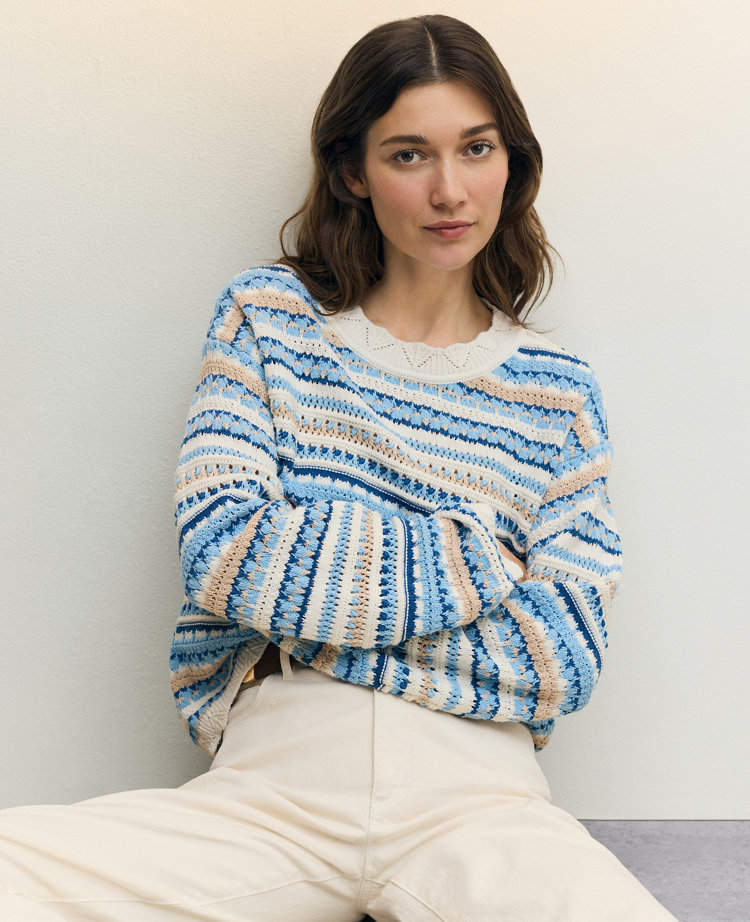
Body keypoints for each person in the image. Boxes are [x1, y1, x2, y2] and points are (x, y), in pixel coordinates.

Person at [0, 14, 678, 922]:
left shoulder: (558, 391)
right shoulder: (268, 319)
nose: (449, 190)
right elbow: (225, 552)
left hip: (480, 796)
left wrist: (308, 620)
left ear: (511, 162)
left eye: (476, 148)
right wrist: (476, 556)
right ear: (354, 171)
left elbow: (564, 654)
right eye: (409, 155)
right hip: (275, 789)